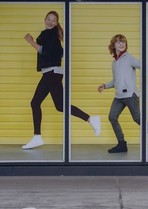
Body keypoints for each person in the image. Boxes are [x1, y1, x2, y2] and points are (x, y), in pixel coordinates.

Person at [23, 11, 100, 150]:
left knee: (35, 103)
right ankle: (91, 119)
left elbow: (45, 51)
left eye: (54, 20)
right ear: (44, 19)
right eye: (48, 19)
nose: (50, 22)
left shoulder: (50, 34)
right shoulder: (52, 35)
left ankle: (37, 137)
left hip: (52, 73)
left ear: (56, 22)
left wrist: (30, 41)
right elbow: (59, 52)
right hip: (53, 73)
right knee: (60, 106)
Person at [97, 34, 148, 153]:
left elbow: (143, 65)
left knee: (137, 118)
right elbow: (116, 81)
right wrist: (105, 85)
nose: (121, 44)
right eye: (118, 42)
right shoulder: (114, 63)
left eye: (123, 42)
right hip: (119, 96)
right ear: (113, 45)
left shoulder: (129, 58)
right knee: (112, 117)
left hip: (130, 95)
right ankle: (122, 144)